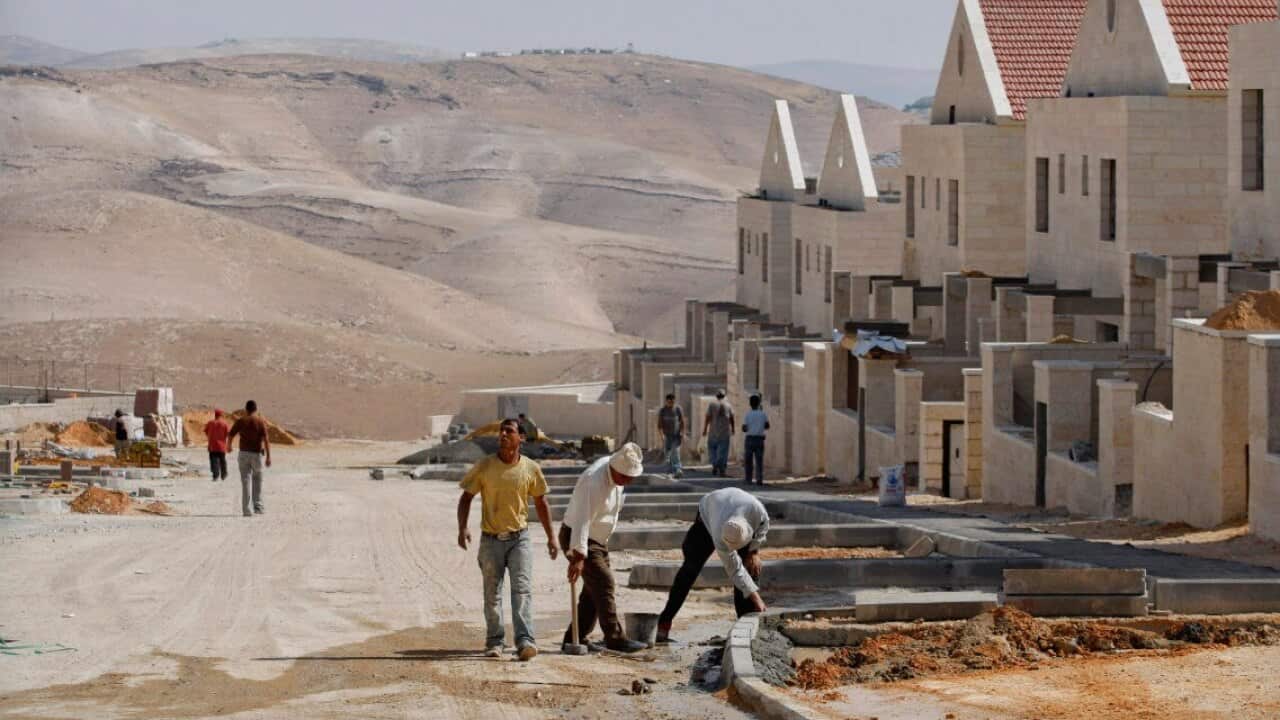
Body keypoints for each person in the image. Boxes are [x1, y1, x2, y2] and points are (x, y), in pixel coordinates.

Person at [457, 418, 558, 661]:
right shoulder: (485, 466)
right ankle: (495, 641)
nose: (503, 434)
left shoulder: (530, 468)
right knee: (492, 594)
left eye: (509, 431)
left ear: (521, 438)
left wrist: (551, 537)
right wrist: (463, 528)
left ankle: (525, 641)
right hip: (491, 540)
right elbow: (466, 497)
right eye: (501, 430)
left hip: (519, 540)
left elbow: (541, 502)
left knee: (521, 591)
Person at [559, 442, 648, 654]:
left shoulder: (617, 471)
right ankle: (615, 638)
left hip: (597, 538)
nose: (628, 481)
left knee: (593, 590)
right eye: (625, 477)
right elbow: (582, 519)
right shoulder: (594, 481)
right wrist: (578, 556)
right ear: (614, 469)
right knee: (605, 581)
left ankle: (575, 637)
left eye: (631, 478)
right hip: (579, 537)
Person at [655, 487, 769, 643]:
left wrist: (754, 551)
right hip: (707, 517)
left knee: (751, 567)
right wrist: (756, 597)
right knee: (690, 569)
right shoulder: (718, 533)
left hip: (734, 512)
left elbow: (763, 527)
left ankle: (746, 627)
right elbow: (734, 570)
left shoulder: (758, 511)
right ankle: (664, 622)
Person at [228, 400, 271, 517]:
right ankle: (258, 507)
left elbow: (231, 434)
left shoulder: (241, 421)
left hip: (243, 454)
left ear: (246, 410)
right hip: (257, 455)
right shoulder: (260, 422)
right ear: (256, 409)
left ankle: (246, 510)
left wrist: (228, 446)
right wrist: (268, 457)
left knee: (245, 481)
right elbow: (266, 440)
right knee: (258, 479)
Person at [702, 390, 735, 477]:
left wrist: (705, 429)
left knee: (712, 450)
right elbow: (731, 418)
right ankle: (721, 469)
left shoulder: (712, 405)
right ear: (724, 396)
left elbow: (708, 417)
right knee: (723, 452)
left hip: (713, 432)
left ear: (716, 396)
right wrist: (733, 429)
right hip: (724, 432)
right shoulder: (728, 405)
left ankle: (715, 463)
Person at [742, 394, 770, 486]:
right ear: (759, 403)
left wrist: (750, 427)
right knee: (759, 460)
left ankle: (748, 479)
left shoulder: (748, 415)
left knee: (748, 461)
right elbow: (767, 426)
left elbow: (744, 428)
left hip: (750, 438)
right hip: (759, 439)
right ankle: (759, 479)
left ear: (750, 404)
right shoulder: (763, 414)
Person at [657, 394, 685, 478]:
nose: (671, 404)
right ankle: (670, 471)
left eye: (672, 402)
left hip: (676, 436)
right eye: (669, 402)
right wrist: (661, 435)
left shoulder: (678, 409)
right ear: (666, 401)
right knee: (668, 455)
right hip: (667, 436)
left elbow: (682, 421)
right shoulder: (662, 411)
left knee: (675, 452)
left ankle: (678, 469)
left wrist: (682, 432)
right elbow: (659, 425)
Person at [204, 409, 230, 482]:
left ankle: (215, 476)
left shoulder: (210, 423)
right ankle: (224, 474)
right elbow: (228, 433)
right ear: (221, 415)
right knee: (222, 460)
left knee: (213, 461)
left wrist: (211, 436)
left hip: (212, 445)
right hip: (222, 446)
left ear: (215, 414)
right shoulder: (224, 424)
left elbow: (206, 431)